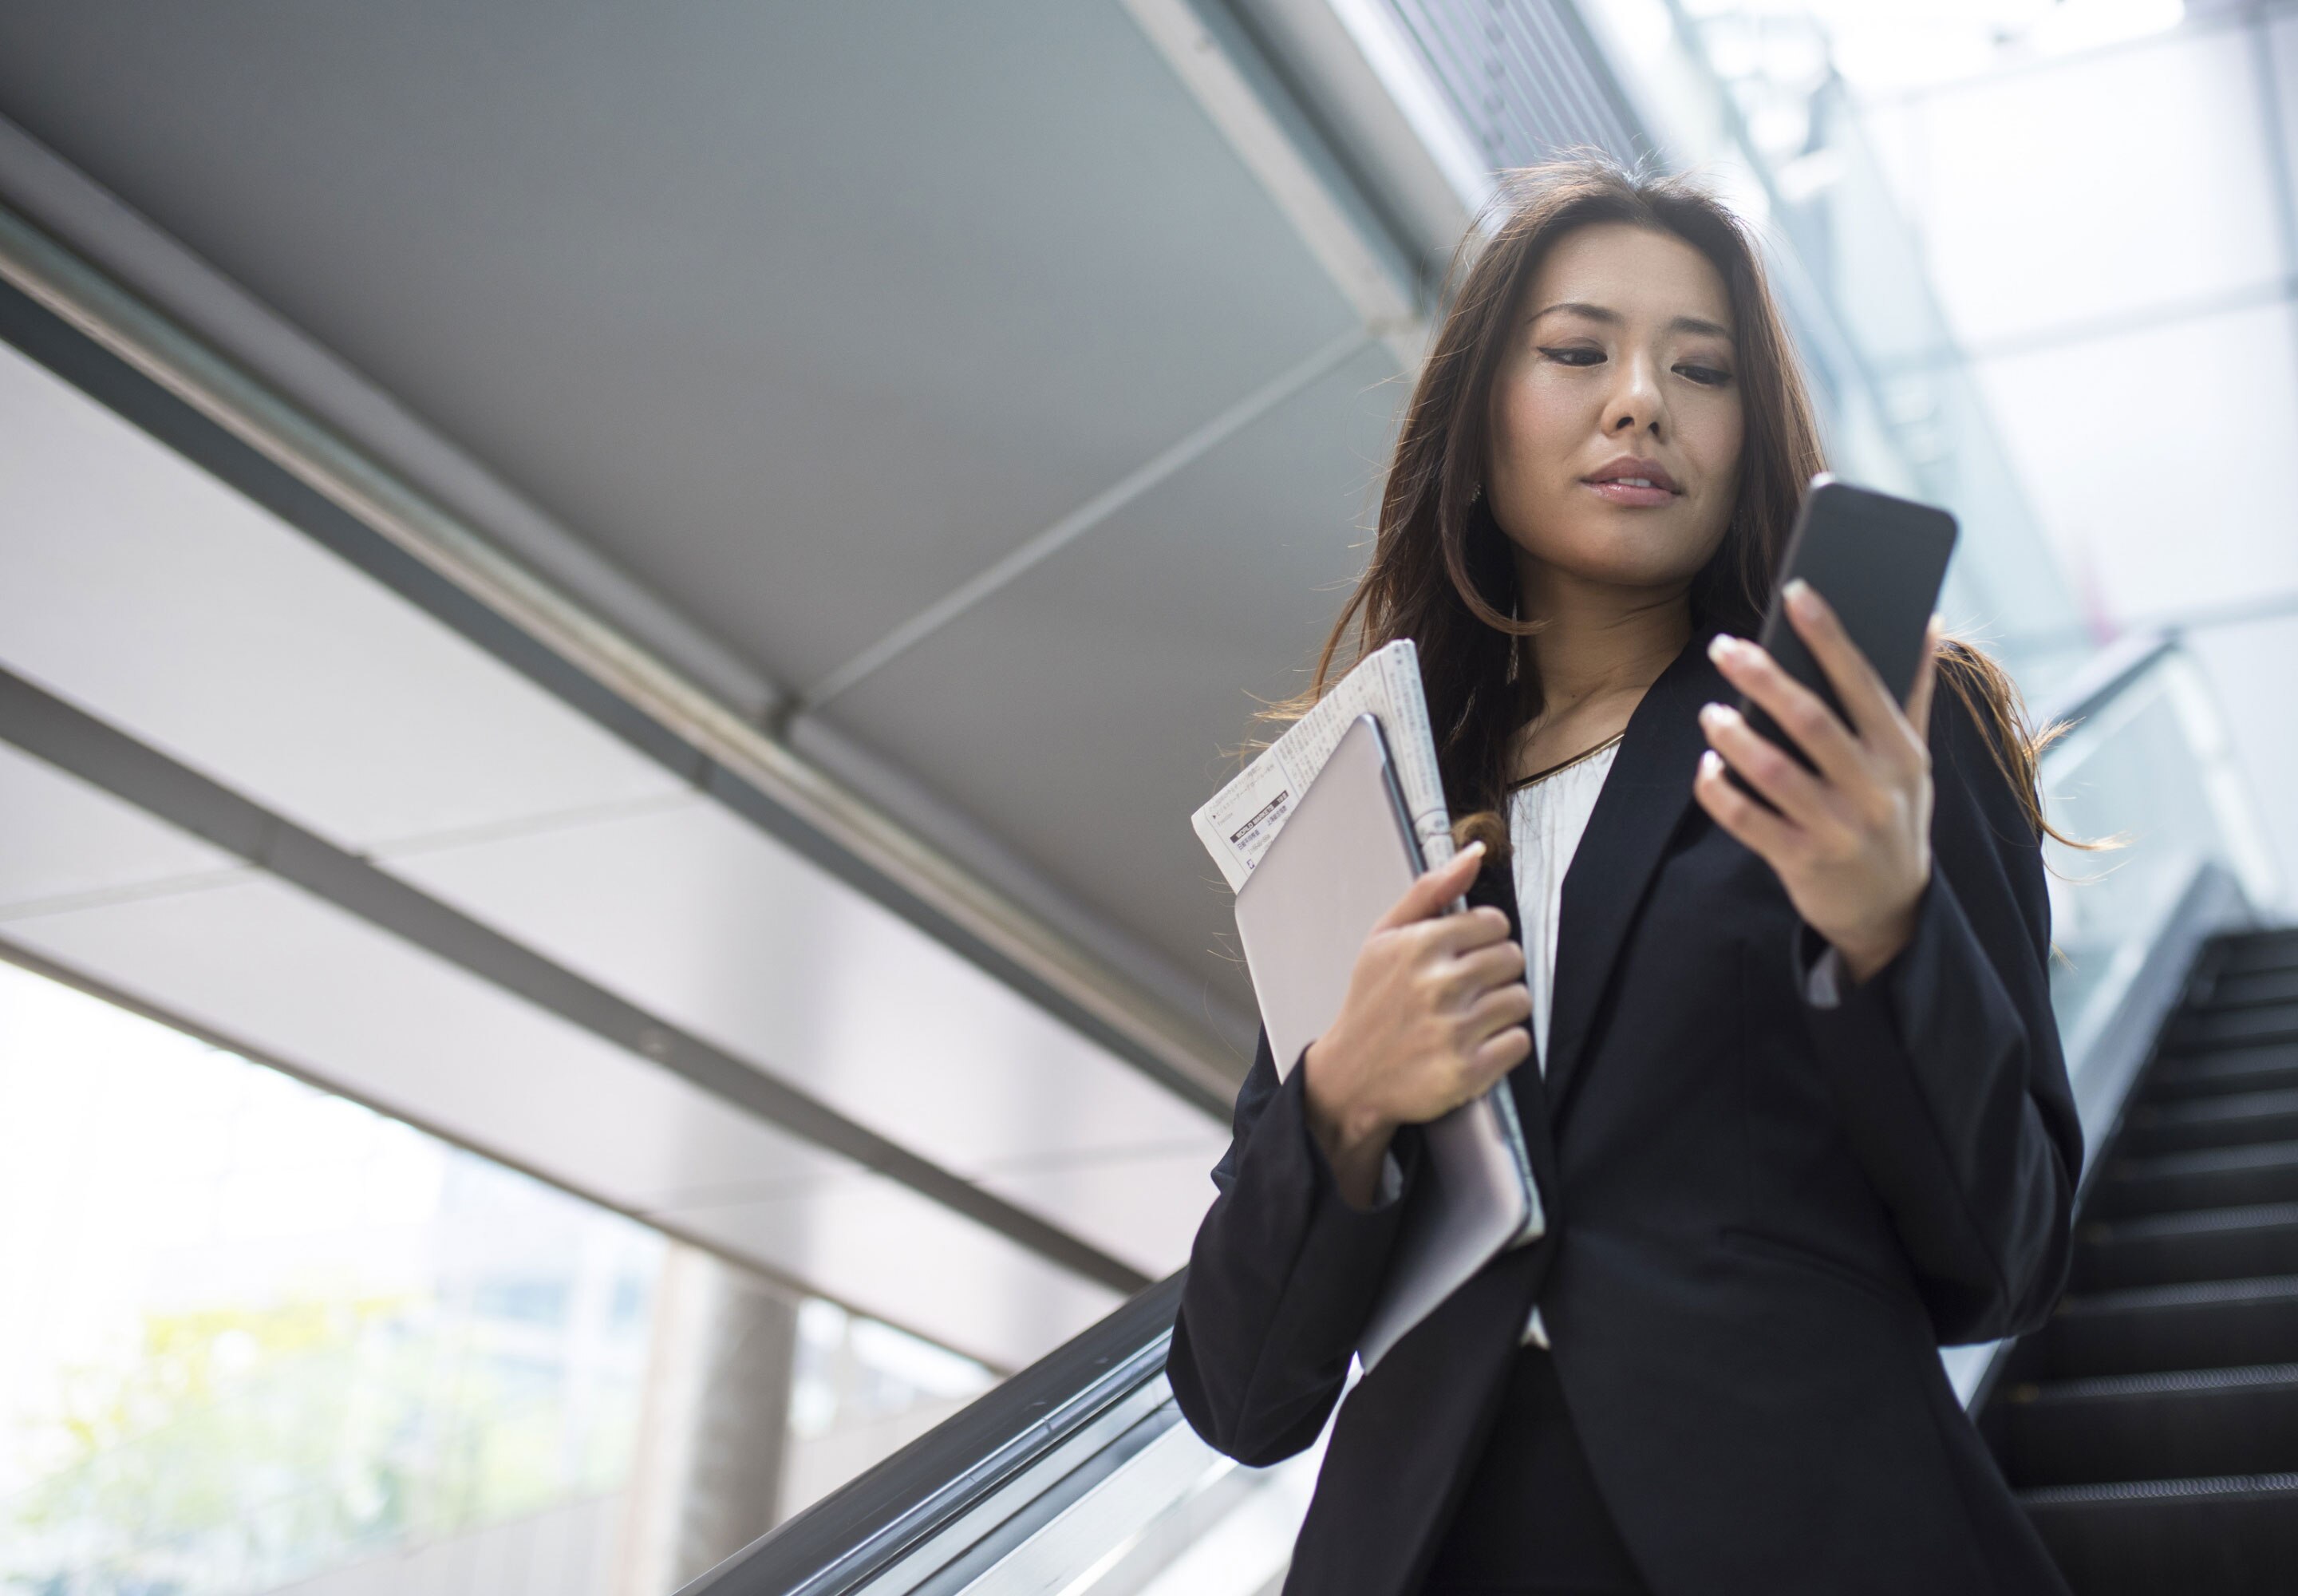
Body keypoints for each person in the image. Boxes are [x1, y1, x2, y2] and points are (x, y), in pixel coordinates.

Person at [1168, 159, 2083, 1596]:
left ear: (1747, 429)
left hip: (1803, 1525)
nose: (1640, 398)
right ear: (1478, 426)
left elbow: (2008, 1260)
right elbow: (1239, 1391)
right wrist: (1343, 1099)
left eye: (1700, 368)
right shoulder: (1380, 809)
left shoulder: (1870, 734)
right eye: (1579, 352)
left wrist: (1886, 935)